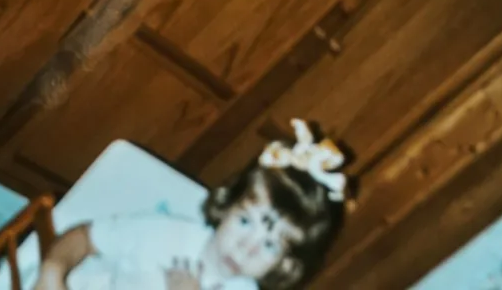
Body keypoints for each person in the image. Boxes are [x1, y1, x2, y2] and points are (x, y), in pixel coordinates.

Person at [33, 124, 350, 290]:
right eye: (244, 223)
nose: (245, 249)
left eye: (269, 245)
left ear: (284, 266)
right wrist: (52, 271)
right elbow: (86, 237)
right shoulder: (164, 233)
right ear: (226, 206)